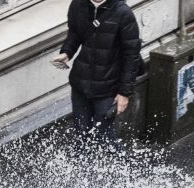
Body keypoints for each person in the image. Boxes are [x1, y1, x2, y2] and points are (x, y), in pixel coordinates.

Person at [52, 0, 142, 143]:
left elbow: (131, 56)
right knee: (81, 135)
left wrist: (124, 93)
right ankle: (81, 165)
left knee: (106, 137)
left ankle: (119, 165)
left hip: (107, 88)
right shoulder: (78, 4)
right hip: (80, 84)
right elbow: (74, 33)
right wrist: (67, 52)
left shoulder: (123, 13)